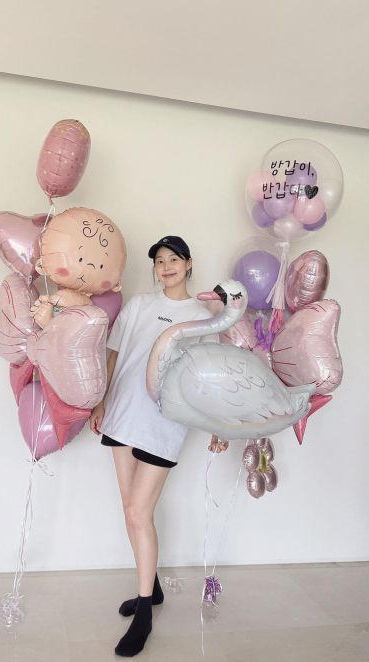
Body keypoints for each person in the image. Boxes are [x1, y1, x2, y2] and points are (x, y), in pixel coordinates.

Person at [90, 235, 229, 657]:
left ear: (189, 264)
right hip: (122, 413)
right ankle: (150, 588)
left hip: (165, 422)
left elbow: (208, 376)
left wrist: (219, 425)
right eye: (160, 261)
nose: (166, 266)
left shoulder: (203, 317)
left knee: (139, 512)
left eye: (174, 259)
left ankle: (144, 612)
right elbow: (113, 354)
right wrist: (100, 400)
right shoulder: (139, 306)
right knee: (130, 510)